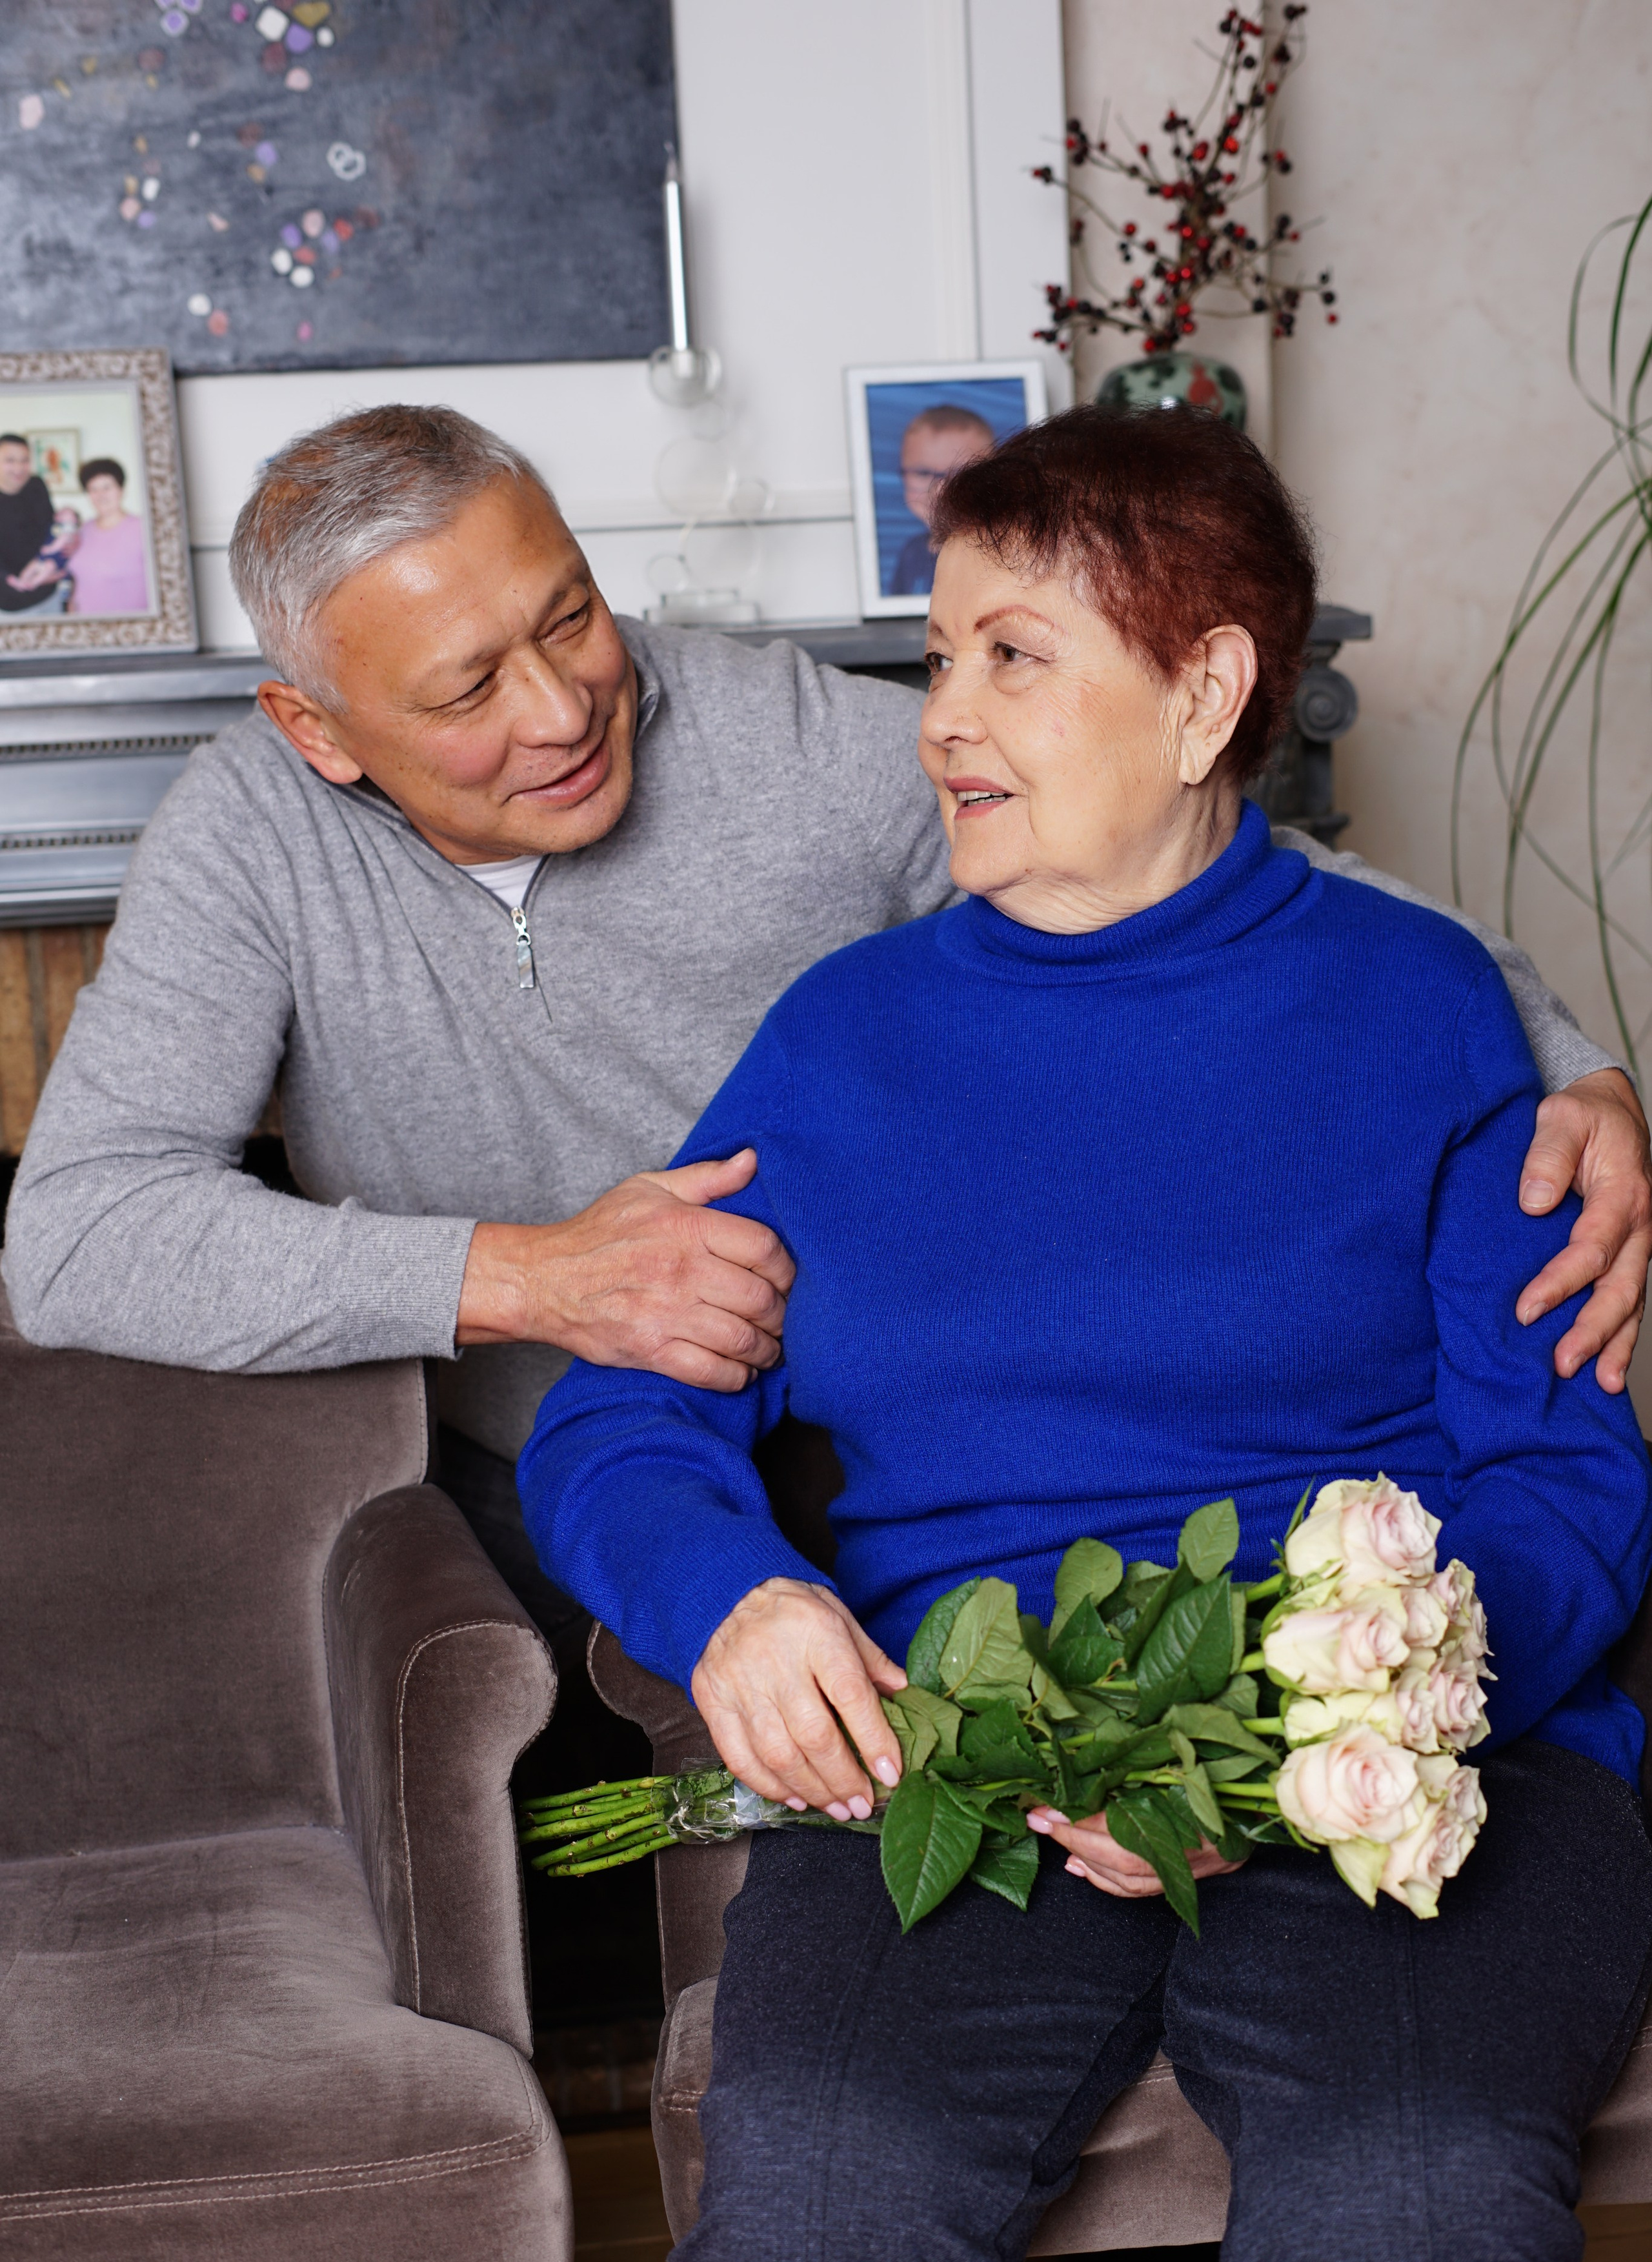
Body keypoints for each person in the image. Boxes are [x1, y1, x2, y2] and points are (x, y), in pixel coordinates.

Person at [518, 405, 1652, 2262]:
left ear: (1208, 687)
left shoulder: (1425, 1010)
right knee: (820, 2193)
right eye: (934, 654)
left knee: (1403, 2202)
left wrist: (1313, 1716)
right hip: (962, 1760)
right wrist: (738, 1594)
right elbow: (620, 1404)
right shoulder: (841, 1041)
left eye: (1011, 656)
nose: (941, 714)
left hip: (1382, 1767)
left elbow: (1564, 1481)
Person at [4, 403, 1647, 1656]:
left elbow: (1210, 854)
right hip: (532, 1470)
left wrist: (1570, 1060)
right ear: (319, 728)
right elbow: (77, 1232)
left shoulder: (776, 732)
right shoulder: (246, 835)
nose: (563, 708)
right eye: (463, 690)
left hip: (846, 1467)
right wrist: (524, 1273)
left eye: (569, 617)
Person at [887, 404, 995, 596]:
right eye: (922, 473)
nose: (940, 490)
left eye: (961, 475)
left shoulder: (995, 555)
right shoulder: (912, 553)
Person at [63, 459, 152, 616]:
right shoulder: (83, 530)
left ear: (121, 490)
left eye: (107, 487)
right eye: (93, 489)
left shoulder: (144, 529)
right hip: (83, 626)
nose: (100, 495)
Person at [0, 432, 67, 614]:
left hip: (50, 597)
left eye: (25, 460)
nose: (19, 468)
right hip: (9, 607)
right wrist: (23, 581)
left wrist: (55, 562)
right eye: (10, 461)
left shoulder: (36, 485)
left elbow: (52, 531)